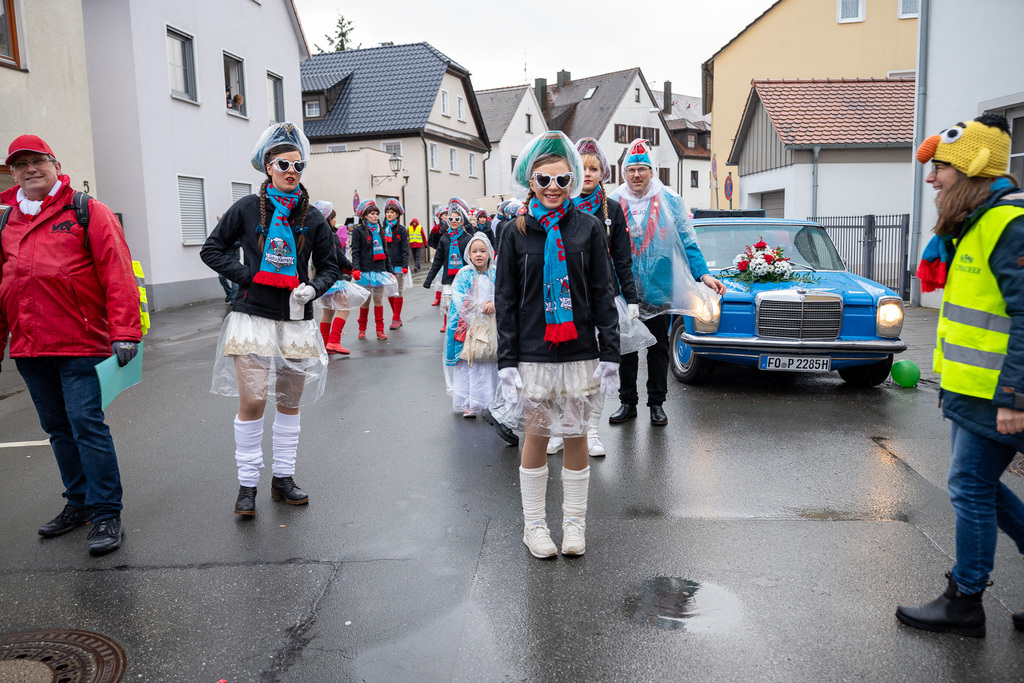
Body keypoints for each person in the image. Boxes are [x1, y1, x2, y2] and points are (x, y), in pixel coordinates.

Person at [895, 114, 1024, 638]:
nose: (931, 178)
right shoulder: (975, 222)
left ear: (972, 169)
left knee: (969, 486)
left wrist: (1014, 394)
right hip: (973, 390)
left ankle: (965, 601)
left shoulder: (1008, 223)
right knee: (981, 486)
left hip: (1000, 393)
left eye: (941, 168)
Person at [0, 134, 141, 556]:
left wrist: (126, 331)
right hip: (30, 348)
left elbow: (117, 272)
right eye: (20, 164)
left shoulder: (86, 210)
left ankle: (106, 513)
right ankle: (78, 502)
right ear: (13, 173)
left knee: (86, 425)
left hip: (81, 343)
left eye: (37, 161)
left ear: (56, 165)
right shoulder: (5, 221)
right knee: (58, 429)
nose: (30, 169)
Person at [490, 131, 620, 559]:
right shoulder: (513, 232)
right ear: (531, 181)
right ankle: (535, 527)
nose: (552, 188)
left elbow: (602, 293)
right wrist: (507, 360)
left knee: (577, 434)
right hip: (534, 353)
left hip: (580, 351)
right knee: (537, 434)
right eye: (544, 180)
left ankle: (574, 524)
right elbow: (506, 300)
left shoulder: (589, 228)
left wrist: (611, 351)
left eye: (562, 180)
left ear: (573, 181)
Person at [200, 122, 338, 516]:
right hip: (253, 317)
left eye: (298, 165)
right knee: (254, 399)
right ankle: (247, 485)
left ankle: (283, 478)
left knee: (289, 402)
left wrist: (313, 288)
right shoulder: (246, 209)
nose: (291, 171)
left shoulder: (312, 217)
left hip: (296, 321)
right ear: (268, 167)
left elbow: (331, 266)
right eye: (283, 164)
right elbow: (212, 250)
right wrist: (249, 277)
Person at [607, 138, 725, 426]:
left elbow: (687, 241)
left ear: (652, 171)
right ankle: (627, 402)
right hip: (622, 290)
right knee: (627, 348)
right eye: (631, 169)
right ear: (624, 173)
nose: (636, 175)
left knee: (658, 348)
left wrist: (703, 275)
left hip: (659, 289)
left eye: (642, 169)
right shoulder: (611, 202)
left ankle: (657, 404)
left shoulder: (670, 200)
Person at [547, 138, 641, 458]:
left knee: (598, 368)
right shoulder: (560, 205)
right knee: (563, 367)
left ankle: (591, 431)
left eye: (594, 168)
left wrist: (631, 299)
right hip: (565, 299)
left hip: (603, 298)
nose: (587, 173)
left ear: (603, 173)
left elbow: (623, 259)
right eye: (582, 167)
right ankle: (563, 427)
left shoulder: (612, 209)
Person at [444, 233, 498, 417]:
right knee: (470, 361)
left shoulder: (495, 273)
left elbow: (504, 294)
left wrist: (494, 305)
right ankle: (469, 401)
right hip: (469, 327)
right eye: (474, 251)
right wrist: (480, 306)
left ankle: (489, 401)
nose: (479, 254)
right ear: (469, 254)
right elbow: (459, 299)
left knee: (489, 360)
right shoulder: (465, 274)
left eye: (483, 251)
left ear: (490, 253)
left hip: (491, 325)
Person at [313, 201, 360, 355]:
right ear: (328, 218)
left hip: (322, 278)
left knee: (328, 312)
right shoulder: (331, 235)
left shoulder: (317, 235)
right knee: (344, 309)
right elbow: (339, 257)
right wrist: (351, 267)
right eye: (333, 217)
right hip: (334, 278)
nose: (335, 220)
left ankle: (325, 343)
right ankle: (334, 341)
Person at [349, 199, 398, 340]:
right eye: (372, 214)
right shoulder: (358, 231)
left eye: (376, 214)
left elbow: (386, 252)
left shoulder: (380, 230)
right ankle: (362, 329)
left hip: (379, 271)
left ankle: (380, 330)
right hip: (364, 272)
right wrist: (356, 269)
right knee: (365, 302)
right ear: (365, 216)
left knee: (378, 301)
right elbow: (355, 252)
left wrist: (390, 271)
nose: (375, 216)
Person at [424, 198, 473, 333]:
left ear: (462, 221)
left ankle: (463, 332)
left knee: (464, 307)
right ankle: (450, 330)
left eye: (457, 219)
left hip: (464, 279)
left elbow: (473, 260)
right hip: (448, 279)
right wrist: (429, 280)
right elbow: (438, 261)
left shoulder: (468, 238)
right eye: (451, 219)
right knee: (448, 306)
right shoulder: (444, 239)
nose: (453, 221)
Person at [382, 199, 410, 329]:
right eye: (387, 212)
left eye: (392, 212)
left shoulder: (402, 229)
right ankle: (396, 316)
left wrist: (404, 265)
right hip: (385, 266)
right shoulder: (382, 229)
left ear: (397, 214)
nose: (389, 214)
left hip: (398, 265)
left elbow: (405, 248)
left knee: (397, 292)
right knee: (390, 292)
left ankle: (396, 319)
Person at [428, 207, 447, 306]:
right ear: (440, 216)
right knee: (439, 278)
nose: (446, 216)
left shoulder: (452, 226)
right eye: (445, 214)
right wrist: (439, 248)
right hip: (441, 255)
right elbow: (431, 241)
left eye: (448, 214)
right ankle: (437, 298)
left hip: (450, 255)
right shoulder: (437, 228)